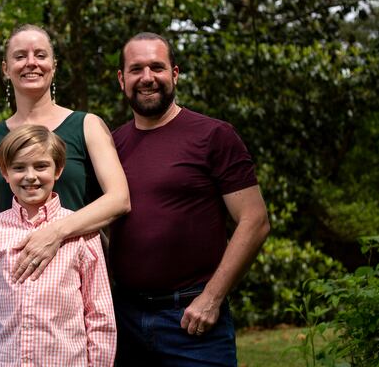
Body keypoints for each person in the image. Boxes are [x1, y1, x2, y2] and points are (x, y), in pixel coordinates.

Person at [110, 32, 270, 366]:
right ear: (122, 79)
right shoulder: (111, 145)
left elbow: (254, 221)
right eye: (136, 69)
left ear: (175, 74)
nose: (148, 78)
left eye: (157, 67)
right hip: (124, 322)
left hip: (192, 322)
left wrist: (212, 298)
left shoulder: (213, 135)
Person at [0, 23, 130, 283]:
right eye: (20, 56)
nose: (31, 63)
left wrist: (55, 232)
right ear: (5, 68)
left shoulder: (86, 126)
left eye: (41, 55)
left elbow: (119, 199)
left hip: (74, 280)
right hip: (8, 285)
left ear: (53, 66)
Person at [0, 125, 116, 366]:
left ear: (58, 169)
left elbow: (99, 313)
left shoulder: (82, 231)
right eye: (18, 167)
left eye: (41, 166)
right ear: (5, 173)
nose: (30, 176)